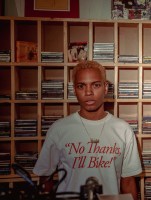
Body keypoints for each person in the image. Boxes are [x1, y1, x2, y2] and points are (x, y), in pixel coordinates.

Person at [33, 60, 142, 199]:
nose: (88, 92)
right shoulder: (59, 129)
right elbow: (45, 178)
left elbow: (127, 182)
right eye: (81, 86)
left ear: (105, 87)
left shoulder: (123, 130)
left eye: (95, 85)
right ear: (74, 90)